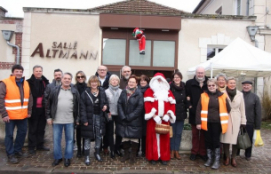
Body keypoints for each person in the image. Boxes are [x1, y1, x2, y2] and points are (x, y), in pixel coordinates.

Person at [0, 64, 33, 164]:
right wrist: (4, 114)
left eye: (20, 71)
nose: (19, 73)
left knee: (22, 133)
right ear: (13, 72)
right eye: (17, 71)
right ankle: (10, 154)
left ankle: (17, 150)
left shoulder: (26, 83)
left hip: (23, 115)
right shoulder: (5, 83)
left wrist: (29, 111)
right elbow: (0, 99)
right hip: (10, 116)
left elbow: (30, 98)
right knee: (9, 135)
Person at [46, 72, 80, 167]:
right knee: (56, 140)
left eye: (69, 79)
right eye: (65, 78)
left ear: (71, 80)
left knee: (69, 140)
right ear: (61, 79)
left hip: (70, 120)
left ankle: (67, 158)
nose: (67, 80)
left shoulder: (74, 91)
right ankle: (58, 157)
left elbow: (77, 106)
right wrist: (49, 117)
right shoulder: (55, 90)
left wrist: (77, 119)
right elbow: (48, 105)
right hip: (56, 120)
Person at [196, 78, 231, 169]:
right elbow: (198, 109)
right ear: (207, 86)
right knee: (207, 141)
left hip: (217, 123)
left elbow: (229, 108)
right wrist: (198, 122)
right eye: (209, 85)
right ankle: (209, 159)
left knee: (216, 141)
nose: (211, 87)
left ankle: (216, 160)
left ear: (216, 86)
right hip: (206, 123)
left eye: (213, 85)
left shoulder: (222, 96)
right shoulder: (203, 95)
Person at [144, 72, 176, 165]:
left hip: (165, 119)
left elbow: (172, 105)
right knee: (152, 138)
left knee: (164, 139)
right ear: (153, 81)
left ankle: (164, 157)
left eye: (160, 80)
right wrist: (154, 116)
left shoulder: (168, 92)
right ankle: (153, 157)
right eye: (157, 80)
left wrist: (168, 115)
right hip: (153, 120)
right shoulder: (149, 91)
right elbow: (147, 105)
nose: (159, 81)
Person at [80, 75, 108, 165]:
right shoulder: (85, 93)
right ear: (90, 83)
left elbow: (106, 102)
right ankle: (87, 155)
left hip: (99, 117)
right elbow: (82, 107)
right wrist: (84, 119)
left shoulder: (102, 91)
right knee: (88, 137)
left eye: (95, 82)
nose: (94, 83)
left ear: (98, 82)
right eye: (92, 82)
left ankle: (97, 153)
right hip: (89, 117)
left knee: (99, 136)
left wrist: (105, 106)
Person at [117, 75, 144, 164]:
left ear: (136, 84)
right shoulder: (123, 92)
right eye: (130, 82)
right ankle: (126, 154)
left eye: (133, 82)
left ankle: (133, 155)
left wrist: (130, 117)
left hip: (135, 120)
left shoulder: (139, 93)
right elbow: (119, 104)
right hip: (124, 119)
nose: (131, 83)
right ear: (128, 83)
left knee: (134, 139)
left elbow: (140, 107)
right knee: (125, 138)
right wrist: (123, 116)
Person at [221, 77, 246, 167]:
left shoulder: (240, 94)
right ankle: (227, 157)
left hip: (236, 117)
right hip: (226, 117)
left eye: (234, 83)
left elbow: (242, 109)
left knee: (235, 139)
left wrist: (243, 121)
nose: (232, 84)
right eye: (230, 83)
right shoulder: (223, 93)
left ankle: (233, 157)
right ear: (227, 84)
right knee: (226, 138)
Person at [185, 67, 208, 161]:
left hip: (206, 113)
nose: (200, 74)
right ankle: (194, 152)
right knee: (195, 134)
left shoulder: (209, 83)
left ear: (204, 73)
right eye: (198, 73)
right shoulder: (189, 83)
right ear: (196, 73)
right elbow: (186, 96)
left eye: (202, 73)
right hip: (194, 112)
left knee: (203, 134)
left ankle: (202, 153)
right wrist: (190, 106)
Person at [27, 65, 50, 154]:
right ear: (33, 72)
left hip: (43, 109)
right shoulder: (29, 82)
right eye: (37, 71)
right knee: (33, 128)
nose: (38, 72)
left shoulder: (45, 81)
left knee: (41, 128)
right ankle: (31, 146)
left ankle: (40, 145)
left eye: (40, 71)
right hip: (33, 109)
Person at [169, 71, 189, 160]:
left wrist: (189, 103)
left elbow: (187, 99)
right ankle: (171, 150)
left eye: (178, 77)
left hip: (181, 114)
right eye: (175, 77)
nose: (176, 79)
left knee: (178, 133)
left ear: (181, 78)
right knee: (172, 133)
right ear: (173, 79)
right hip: (172, 114)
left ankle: (176, 150)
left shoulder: (184, 87)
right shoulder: (170, 88)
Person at [241, 80, 261, 161]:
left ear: (251, 87)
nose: (246, 87)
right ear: (242, 86)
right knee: (237, 138)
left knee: (249, 139)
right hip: (239, 121)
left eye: (248, 85)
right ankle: (236, 153)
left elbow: (258, 112)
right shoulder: (239, 95)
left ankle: (248, 154)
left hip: (249, 122)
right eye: (244, 85)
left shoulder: (255, 97)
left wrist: (257, 125)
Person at [105, 74, 122, 158]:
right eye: (112, 80)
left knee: (119, 132)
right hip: (110, 114)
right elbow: (105, 103)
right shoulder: (106, 91)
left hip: (119, 114)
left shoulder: (121, 91)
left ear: (118, 82)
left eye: (116, 80)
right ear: (110, 82)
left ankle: (117, 148)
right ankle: (111, 149)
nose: (114, 81)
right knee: (110, 133)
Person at [95, 65, 112, 155]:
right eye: (100, 70)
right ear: (97, 71)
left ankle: (105, 146)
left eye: (104, 70)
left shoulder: (110, 80)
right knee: (98, 128)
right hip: (96, 108)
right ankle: (98, 146)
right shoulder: (94, 79)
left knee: (107, 130)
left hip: (107, 108)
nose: (102, 71)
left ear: (106, 71)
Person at [73, 71, 87, 158]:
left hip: (85, 112)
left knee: (85, 132)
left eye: (82, 76)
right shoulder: (73, 87)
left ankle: (84, 149)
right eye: (78, 77)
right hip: (76, 112)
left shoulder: (88, 87)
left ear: (84, 77)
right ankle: (79, 150)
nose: (80, 78)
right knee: (78, 133)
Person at [138, 74, 150, 157]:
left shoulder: (150, 90)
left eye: (144, 80)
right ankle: (137, 150)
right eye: (141, 80)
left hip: (146, 114)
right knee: (138, 133)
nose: (142, 82)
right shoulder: (136, 89)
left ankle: (144, 151)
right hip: (138, 114)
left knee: (145, 134)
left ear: (147, 82)